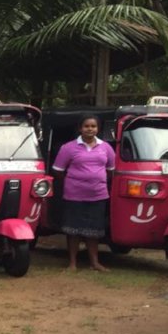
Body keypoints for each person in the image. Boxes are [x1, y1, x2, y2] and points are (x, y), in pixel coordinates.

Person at [52, 114, 115, 271]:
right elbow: (58, 171)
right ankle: (72, 263)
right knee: (73, 230)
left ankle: (94, 262)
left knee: (94, 231)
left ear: (98, 129)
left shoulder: (106, 147)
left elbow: (110, 170)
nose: (90, 129)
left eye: (93, 126)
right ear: (80, 128)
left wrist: (95, 181)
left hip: (98, 196)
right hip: (74, 196)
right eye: (86, 126)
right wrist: (74, 182)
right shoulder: (69, 148)